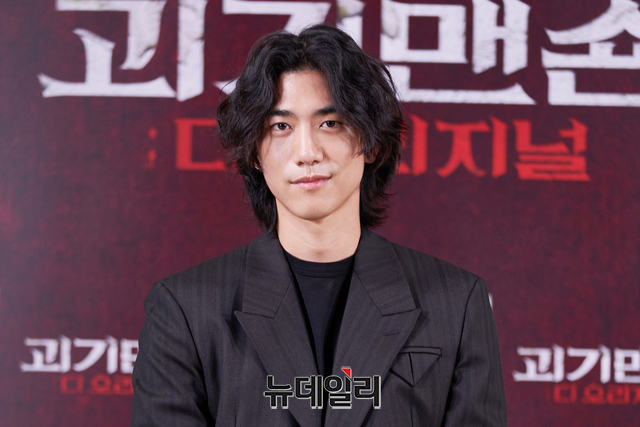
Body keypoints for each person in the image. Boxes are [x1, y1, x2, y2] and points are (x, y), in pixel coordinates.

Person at [131, 25, 506, 426]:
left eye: (330, 123)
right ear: (254, 152)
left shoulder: (456, 303)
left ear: (372, 143)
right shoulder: (186, 308)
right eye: (281, 126)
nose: (307, 152)